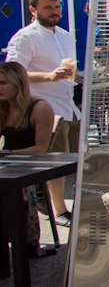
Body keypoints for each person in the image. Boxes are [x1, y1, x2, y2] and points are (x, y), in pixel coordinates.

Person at [6, 0, 81, 228]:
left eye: (57, 7)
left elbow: (67, 72)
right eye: (47, 8)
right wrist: (48, 77)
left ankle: (75, 206)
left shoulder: (66, 35)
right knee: (55, 164)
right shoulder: (25, 37)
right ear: (33, 9)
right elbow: (13, 74)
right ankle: (58, 210)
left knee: (77, 160)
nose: (54, 12)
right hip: (44, 109)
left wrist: (81, 76)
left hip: (69, 106)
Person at [0, 62, 57, 258]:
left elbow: (41, 150)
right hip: (7, 164)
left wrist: (7, 153)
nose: (0, 88)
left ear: (18, 83)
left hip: (31, 165)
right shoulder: (3, 108)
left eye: (3, 83)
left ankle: (29, 244)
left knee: (20, 190)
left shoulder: (39, 107)